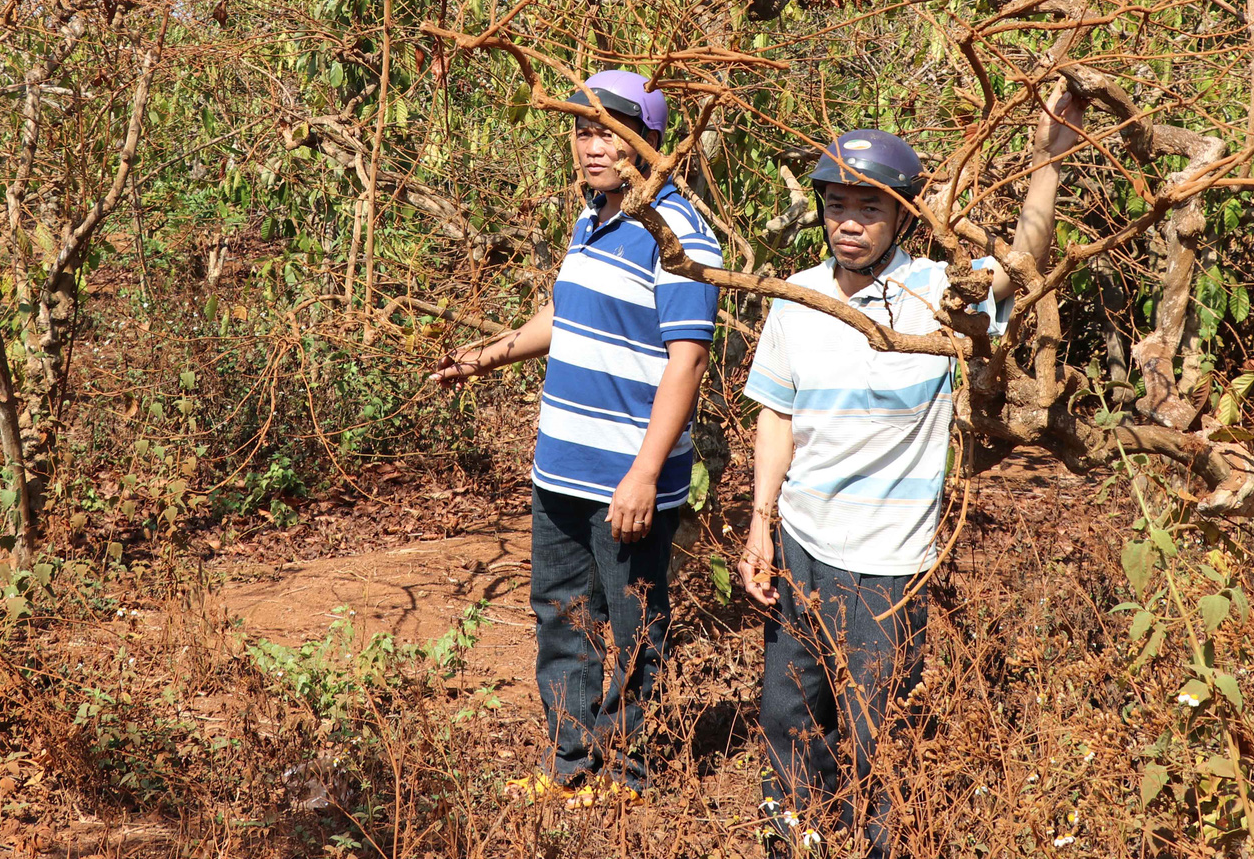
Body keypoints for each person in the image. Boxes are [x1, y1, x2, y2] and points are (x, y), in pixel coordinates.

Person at [737, 93, 1084, 858]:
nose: (850, 222)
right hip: (801, 542)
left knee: (879, 730)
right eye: (837, 204)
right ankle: (792, 839)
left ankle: (881, 842)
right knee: (789, 713)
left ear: (901, 216)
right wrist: (762, 523)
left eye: (871, 206)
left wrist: (1047, 162)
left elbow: (1019, 265)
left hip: (888, 561)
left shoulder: (939, 293)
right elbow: (777, 417)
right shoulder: (798, 298)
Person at [432, 69, 721, 807]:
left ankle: (627, 775)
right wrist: (483, 357)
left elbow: (686, 362)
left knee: (633, 626)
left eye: (612, 133)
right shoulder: (592, 215)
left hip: (628, 479)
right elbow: (561, 317)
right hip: (559, 468)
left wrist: (645, 474)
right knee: (561, 615)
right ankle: (571, 762)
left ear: (651, 143)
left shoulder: (679, 234)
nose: (594, 147)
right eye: (584, 130)